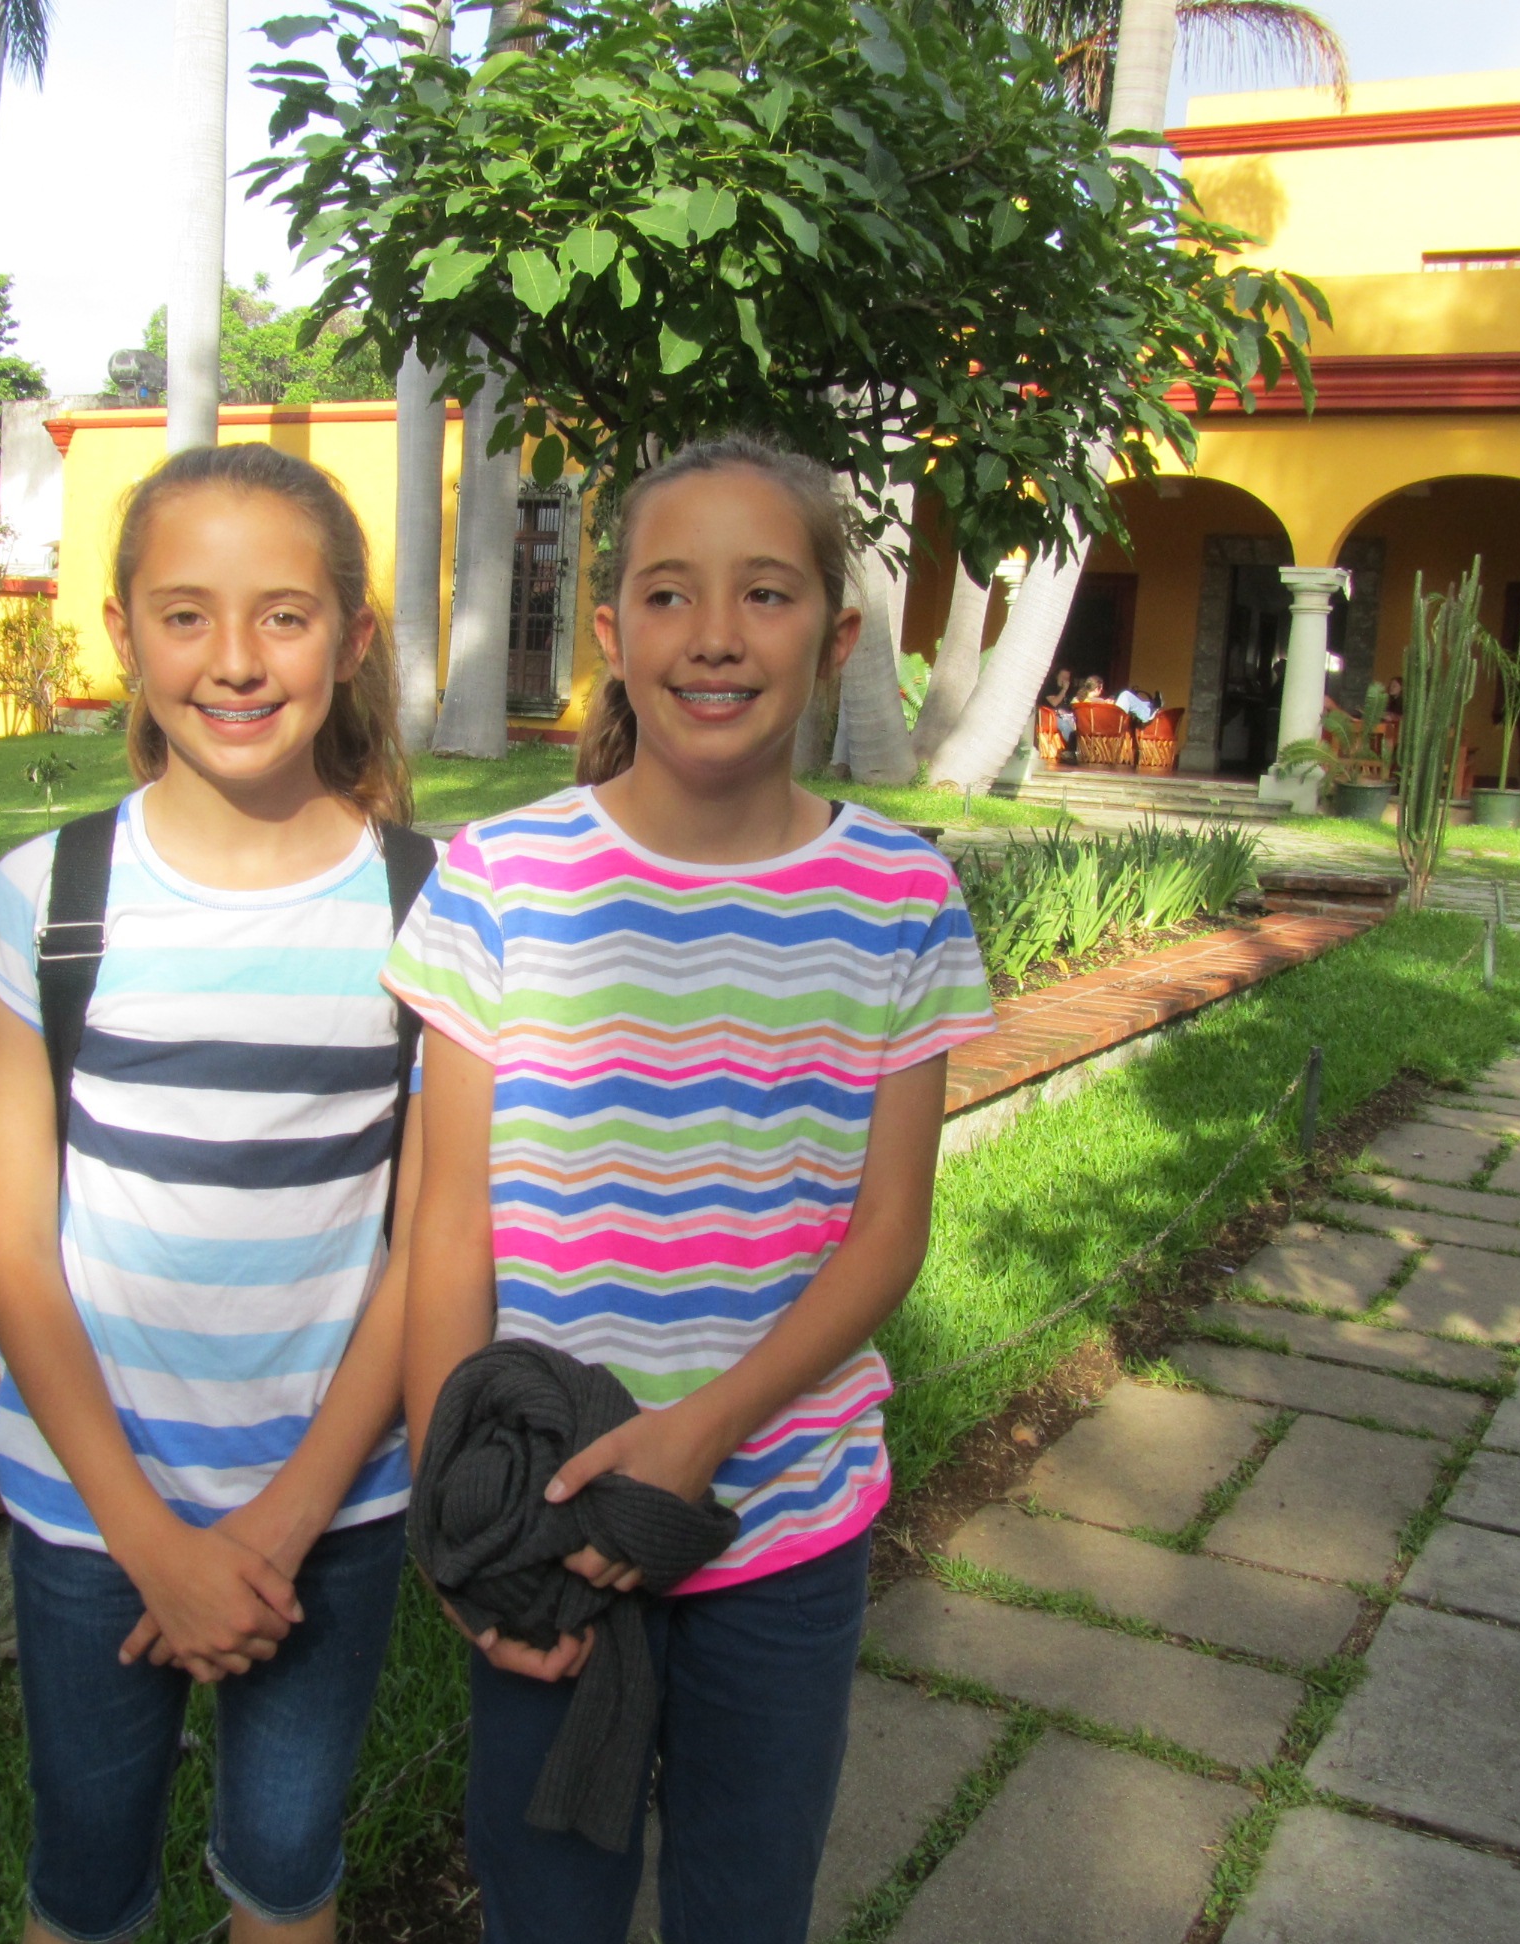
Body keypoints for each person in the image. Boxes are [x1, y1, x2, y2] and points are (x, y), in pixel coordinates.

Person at [387, 436, 997, 1944]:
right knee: (546, 1903)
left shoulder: (902, 898)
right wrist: (456, 1513)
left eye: (765, 594)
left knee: (747, 1900)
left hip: (784, 1521)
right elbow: (446, 1225)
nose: (715, 635)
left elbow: (887, 1236)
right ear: (612, 631)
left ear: (836, 638)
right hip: (547, 1517)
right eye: (669, 594)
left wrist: (701, 1435)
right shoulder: (500, 878)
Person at [0, 442, 423, 1944]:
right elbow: (14, 1256)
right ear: (122, 633)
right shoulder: (46, 902)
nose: (235, 660)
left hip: (334, 1507)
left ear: (352, 639)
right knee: (85, 1879)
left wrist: (283, 1525)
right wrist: (149, 1538)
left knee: (286, 1871)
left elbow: (428, 1250)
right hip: (92, 1513)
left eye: (284, 616)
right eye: (186, 615)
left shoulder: (433, 911)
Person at [1044, 667, 1075, 754]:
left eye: (1067, 678)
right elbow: (1054, 703)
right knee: (1065, 725)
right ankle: (1071, 749)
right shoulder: (1049, 687)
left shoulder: (1069, 691)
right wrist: (1064, 690)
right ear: (1057, 676)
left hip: (1065, 716)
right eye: (1063, 677)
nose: (1065, 680)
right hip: (1050, 716)